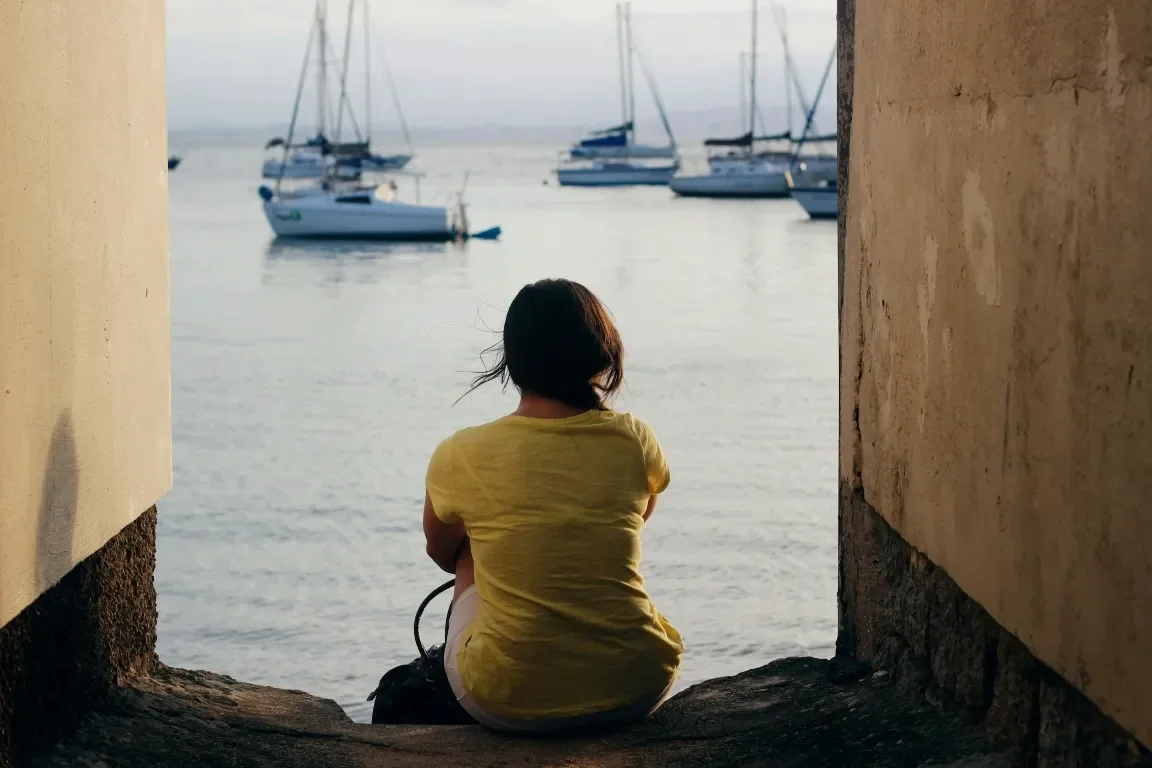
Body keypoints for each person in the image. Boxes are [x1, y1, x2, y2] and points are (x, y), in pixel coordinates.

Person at [422, 278, 683, 733]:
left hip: (505, 700)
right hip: (637, 685)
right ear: (602, 354)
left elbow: (442, 554)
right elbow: (640, 515)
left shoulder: (460, 453)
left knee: (469, 546)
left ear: (513, 361)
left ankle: (522, 663)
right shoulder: (634, 438)